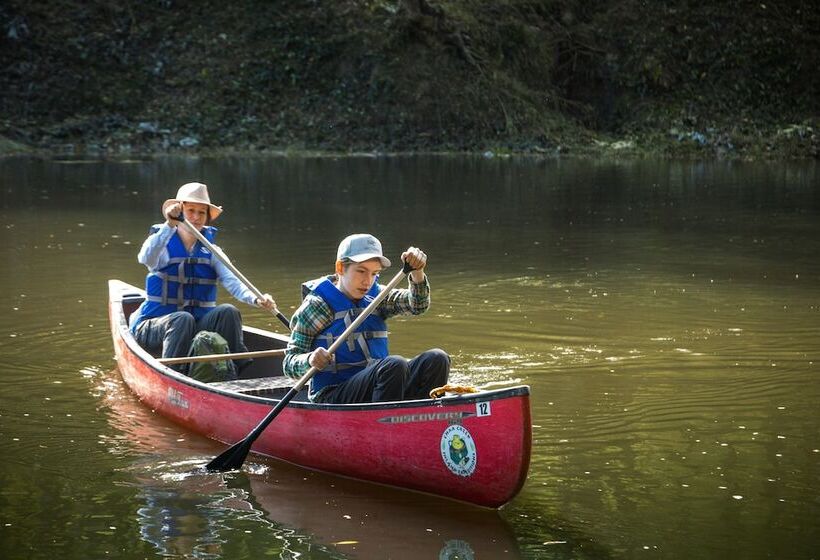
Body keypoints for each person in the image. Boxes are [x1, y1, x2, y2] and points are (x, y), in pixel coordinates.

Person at [283, 233, 449, 403]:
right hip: (334, 393)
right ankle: (384, 424)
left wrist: (417, 272)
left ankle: (425, 415)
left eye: (374, 273)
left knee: (437, 358)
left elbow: (417, 305)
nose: (367, 281)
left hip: (381, 384)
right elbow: (289, 365)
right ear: (340, 268)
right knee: (395, 365)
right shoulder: (318, 305)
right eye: (361, 271)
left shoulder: (378, 297)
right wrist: (310, 359)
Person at [128, 182, 275, 372]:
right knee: (182, 319)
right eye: (190, 211)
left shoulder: (212, 251)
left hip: (194, 325)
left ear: (207, 218)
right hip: (152, 326)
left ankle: (238, 368)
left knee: (227, 311)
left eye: (201, 212)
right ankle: (174, 373)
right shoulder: (162, 242)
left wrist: (257, 299)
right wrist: (169, 224)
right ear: (179, 212)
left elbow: (234, 283)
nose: (196, 217)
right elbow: (145, 258)